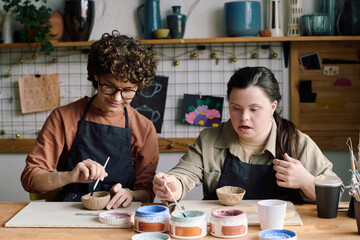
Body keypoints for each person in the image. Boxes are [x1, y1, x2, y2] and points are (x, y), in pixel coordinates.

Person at [153, 66, 340, 203]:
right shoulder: (210, 139)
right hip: (223, 230)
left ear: (273, 107)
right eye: (236, 108)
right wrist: (172, 186)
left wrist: (307, 183)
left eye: (254, 109)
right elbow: (185, 174)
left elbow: (335, 196)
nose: (244, 118)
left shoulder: (298, 143)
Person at [21, 31, 159, 209]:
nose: (117, 98)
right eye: (109, 86)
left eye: (127, 90)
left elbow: (147, 192)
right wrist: (70, 176)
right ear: (96, 76)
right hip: (68, 212)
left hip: (119, 214)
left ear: (138, 87)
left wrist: (131, 194)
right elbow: (30, 178)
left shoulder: (144, 128)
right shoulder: (63, 117)